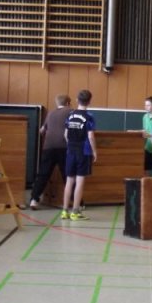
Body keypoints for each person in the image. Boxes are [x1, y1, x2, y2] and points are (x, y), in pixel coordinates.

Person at [28, 94, 72, 210]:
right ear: (68, 103)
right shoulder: (70, 112)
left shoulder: (51, 113)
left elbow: (42, 130)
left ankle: (34, 199)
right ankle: (75, 201)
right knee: (68, 175)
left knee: (43, 174)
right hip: (64, 146)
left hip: (48, 147)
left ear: (57, 103)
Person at [61, 89, 97, 221]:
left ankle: (65, 210)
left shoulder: (70, 115)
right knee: (80, 181)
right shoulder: (89, 116)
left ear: (77, 100)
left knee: (69, 180)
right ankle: (75, 211)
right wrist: (94, 151)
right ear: (89, 102)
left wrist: (71, 145)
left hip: (71, 150)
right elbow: (91, 136)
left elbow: (65, 134)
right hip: (83, 151)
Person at [135, 96, 152, 174]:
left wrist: (150, 135)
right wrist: (136, 132)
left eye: (148, 105)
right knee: (145, 170)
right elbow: (145, 130)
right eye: (145, 105)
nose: (146, 107)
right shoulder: (145, 117)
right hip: (148, 148)